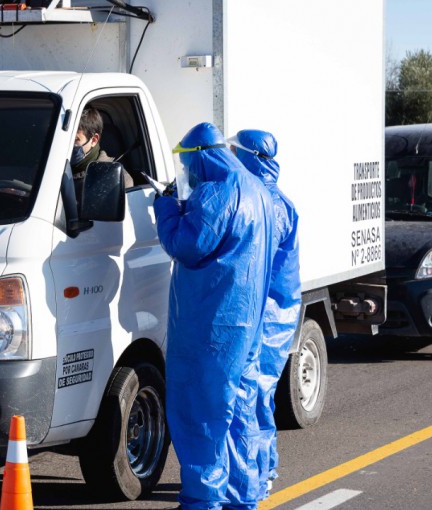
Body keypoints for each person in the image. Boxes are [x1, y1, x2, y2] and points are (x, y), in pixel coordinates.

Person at [153, 122, 275, 510]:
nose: (186, 171)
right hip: (247, 323)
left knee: (201, 412)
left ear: (202, 156)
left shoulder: (217, 191)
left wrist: (166, 208)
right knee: (239, 412)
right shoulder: (257, 189)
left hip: (213, 325)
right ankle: (242, 497)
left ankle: (203, 500)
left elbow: (186, 245)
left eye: (187, 162)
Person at [228, 129, 301, 501]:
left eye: (235, 151)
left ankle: (260, 473)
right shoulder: (268, 198)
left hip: (270, 311)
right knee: (258, 392)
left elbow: (254, 260)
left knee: (256, 393)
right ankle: (262, 468)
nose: (231, 157)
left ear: (251, 158)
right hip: (270, 308)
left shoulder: (267, 204)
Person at [71, 106, 133, 194]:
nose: (68, 144)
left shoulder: (116, 180)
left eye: (75, 140)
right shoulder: (54, 166)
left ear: (94, 140)